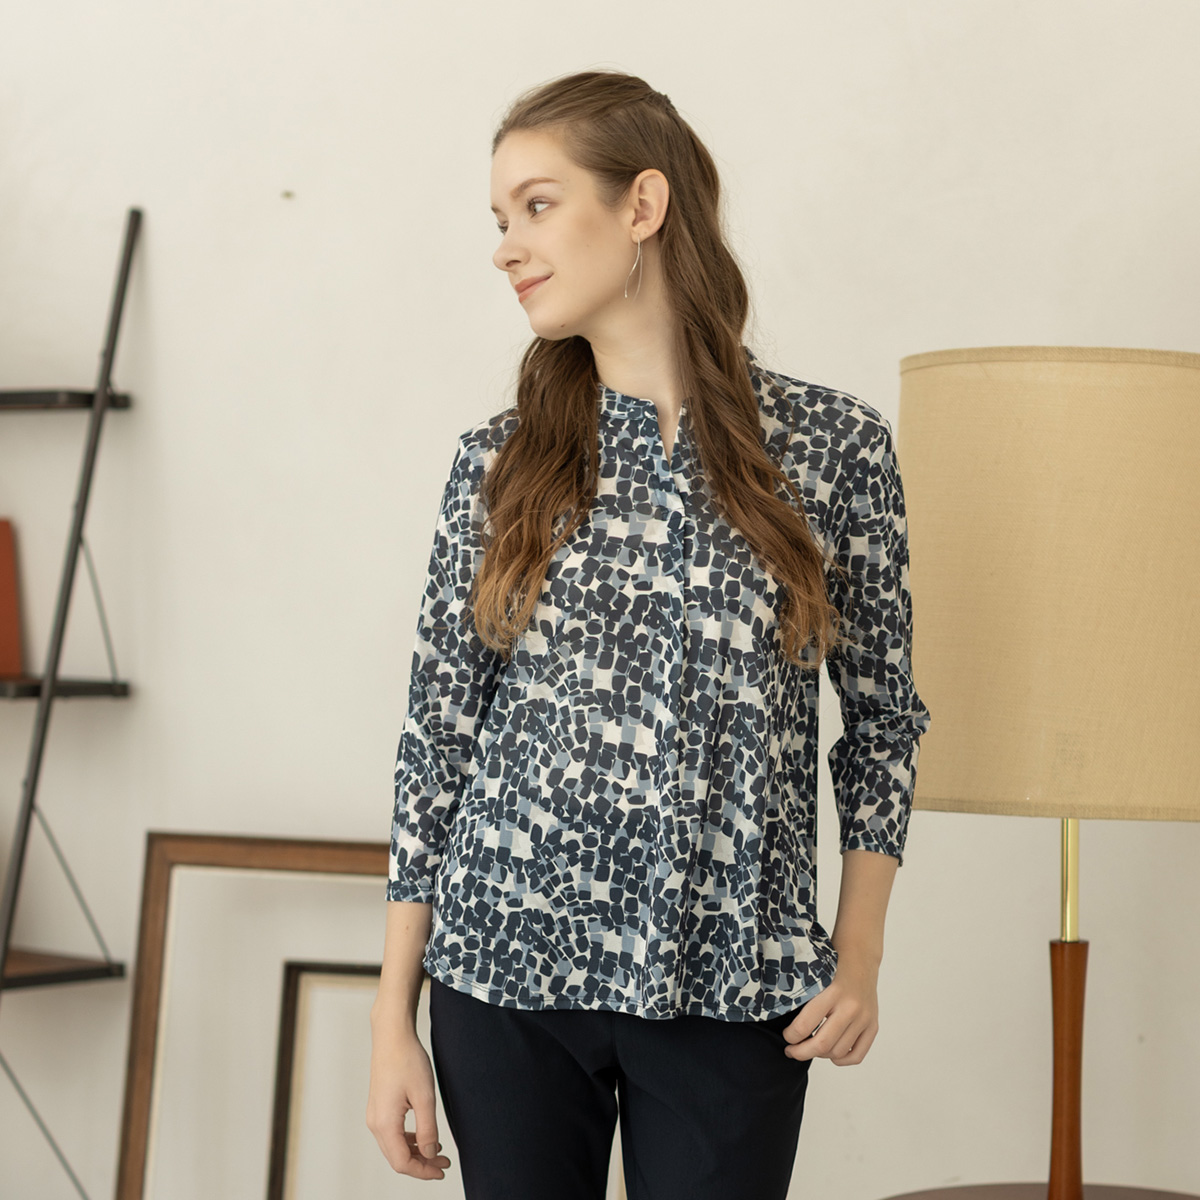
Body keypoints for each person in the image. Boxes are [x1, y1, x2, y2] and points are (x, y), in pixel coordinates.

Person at [367, 69, 931, 1200]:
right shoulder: (497, 463)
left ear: (642, 204)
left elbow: (883, 722)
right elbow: (437, 743)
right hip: (504, 974)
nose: (506, 248)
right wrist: (393, 1020)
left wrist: (858, 952)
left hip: (738, 979)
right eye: (499, 218)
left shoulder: (835, 449)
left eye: (536, 206)